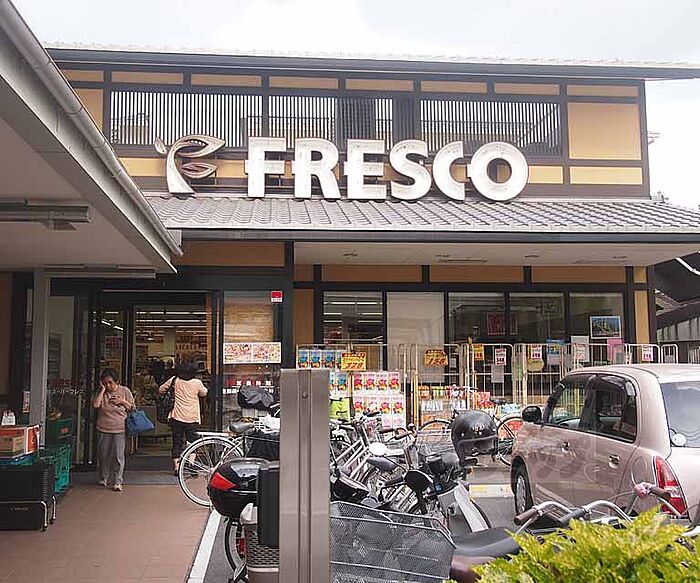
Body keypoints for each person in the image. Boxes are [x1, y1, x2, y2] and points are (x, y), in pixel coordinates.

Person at [159, 359, 208, 473]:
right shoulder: (197, 382)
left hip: (176, 416)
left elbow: (161, 390)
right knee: (192, 442)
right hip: (192, 417)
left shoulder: (175, 380)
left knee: (177, 442)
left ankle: (177, 467)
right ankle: (191, 464)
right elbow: (204, 393)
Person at [92, 368, 135, 491]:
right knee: (103, 455)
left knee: (118, 456)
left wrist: (122, 401)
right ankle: (103, 477)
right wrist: (102, 390)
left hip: (119, 428)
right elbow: (96, 404)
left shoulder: (124, 391)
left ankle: (117, 481)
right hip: (103, 427)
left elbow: (132, 407)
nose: (108, 386)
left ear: (117, 381)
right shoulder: (102, 392)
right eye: (105, 383)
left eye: (110, 383)